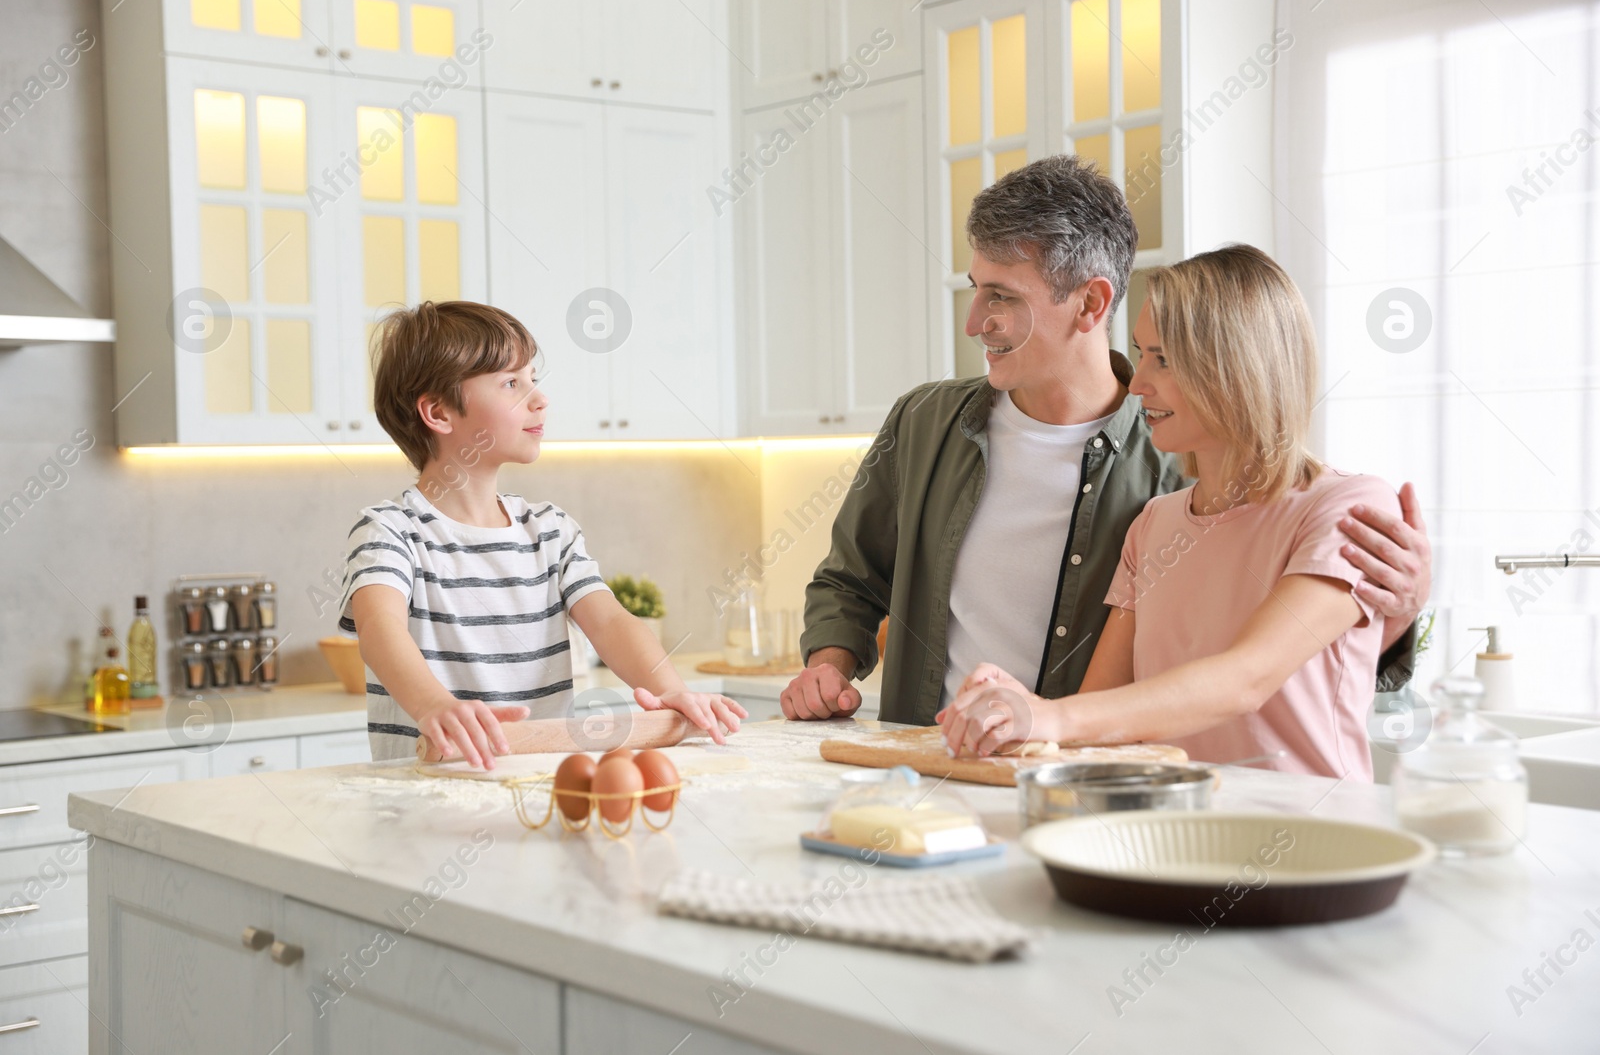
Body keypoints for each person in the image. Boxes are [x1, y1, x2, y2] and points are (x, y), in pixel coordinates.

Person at [783, 154, 1432, 728]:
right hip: (950, 772)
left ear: (1091, 305)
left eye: (1002, 297)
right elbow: (850, 580)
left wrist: (1397, 617)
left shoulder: (1188, 465)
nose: (974, 321)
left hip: (1103, 792)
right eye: (976, 290)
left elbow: (1267, 669)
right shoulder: (923, 422)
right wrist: (829, 664)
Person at [940, 245, 1397, 779]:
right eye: (1141, 353)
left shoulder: (1348, 508)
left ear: (1236, 367)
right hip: (1177, 833)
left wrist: (1049, 717)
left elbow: (1245, 679)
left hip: (1310, 841)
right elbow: (1104, 720)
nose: (1137, 384)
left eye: (1163, 359)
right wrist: (1015, 704)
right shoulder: (1155, 525)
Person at [340, 301, 745, 769]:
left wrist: (671, 691)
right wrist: (434, 705)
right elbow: (379, 629)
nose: (539, 397)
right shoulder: (391, 531)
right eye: (512, 383)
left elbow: (612, 623)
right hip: (423, 795)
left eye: (533, 378)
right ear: (439, 412)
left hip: (539, 780)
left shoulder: (550, 531)